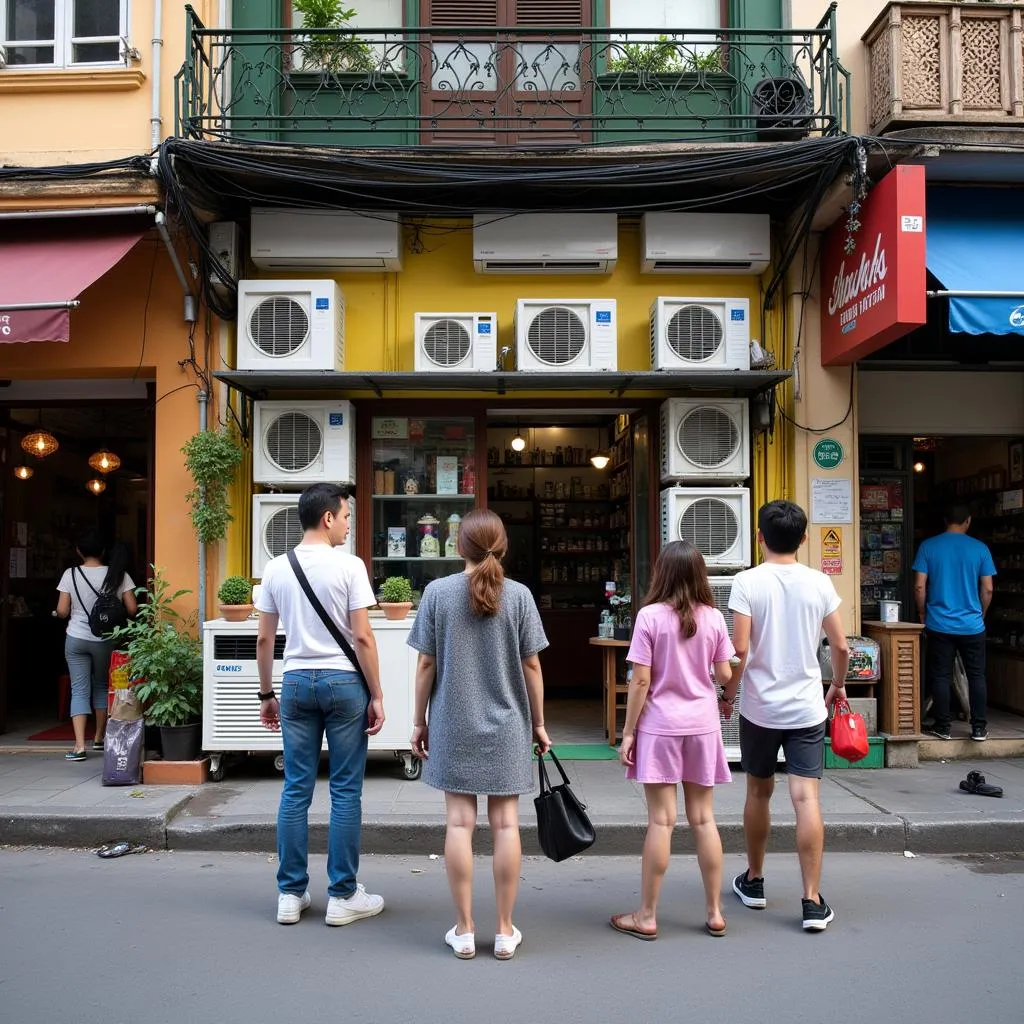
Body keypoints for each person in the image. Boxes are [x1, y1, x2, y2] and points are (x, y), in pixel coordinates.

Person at [408, 509, 551, 961]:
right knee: (506, 824)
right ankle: (505, 931)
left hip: (452, 722)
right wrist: (540, 723)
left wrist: (418, 721)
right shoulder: (521, 596)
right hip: (508, 725)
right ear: (502, 547)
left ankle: (465, 930)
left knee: (458, 824)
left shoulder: (437, 593)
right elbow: (532, 664)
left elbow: (426, 663)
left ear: (458, 547)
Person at [255, 483, 386, 927]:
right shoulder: (350, 567)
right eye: (346, 516)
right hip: (343, 683)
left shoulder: (275, 569)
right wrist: (379, 695)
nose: (349, 525)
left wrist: (266, 694)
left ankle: (290, 894)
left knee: (296, 789)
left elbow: (265, 638)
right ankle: (342, 894)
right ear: (328, 517)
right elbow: (363, 637)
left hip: (294, 683)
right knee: (346, 790)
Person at [728, 500, 849, 933]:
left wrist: (728, 694)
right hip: (805, 707)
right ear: (803, 539)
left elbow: (739, 651)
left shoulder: (746, 582)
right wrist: (835, 684)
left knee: (759, 792)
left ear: (759, 537)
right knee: (806, 800)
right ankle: (812, 901)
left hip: (760, 707)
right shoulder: (819, 582)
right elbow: (841, 646)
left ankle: (755, 881)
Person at [610, 540, 735, 941]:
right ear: (700, 575)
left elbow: (641, 680)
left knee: (662, 821)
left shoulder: (649, 617)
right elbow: (726, 674)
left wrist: (627, 733)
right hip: (702, 725)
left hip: (660, 727)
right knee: (704, 819)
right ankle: (715, 912)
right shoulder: (714, 618)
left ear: (661, 573)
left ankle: (646, 916)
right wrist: (723, 694)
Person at [913, 503, 996, 742]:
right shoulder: (980, 549)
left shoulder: (929, 546)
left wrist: (922, 613)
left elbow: (919, 586)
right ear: (968, 521)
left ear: (944, 520)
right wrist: (980, 614)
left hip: (939, 623)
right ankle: (979, 728)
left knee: (940, 675)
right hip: (972, 625)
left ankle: (943, 726)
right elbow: (988, 589)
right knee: (976, 675)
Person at [54, 535, 137, 761]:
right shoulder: (118, 575)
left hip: (76, 637)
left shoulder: (70, 574)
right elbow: (132, 609)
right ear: (103, 552)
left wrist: (57, 614)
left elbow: (62, 611)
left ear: (79, 551)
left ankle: (80, 746)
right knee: (102, 685)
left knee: (79, 689)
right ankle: (99, 738)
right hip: (106, 639)